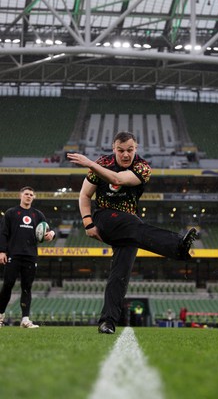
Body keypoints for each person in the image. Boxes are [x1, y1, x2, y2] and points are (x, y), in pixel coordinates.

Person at [67, 132, 198, 334]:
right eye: (121, 150)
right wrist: (88, 223)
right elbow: (85, 194)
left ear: (135, 148)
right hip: (105, 218)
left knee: (119, 277)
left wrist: (90, 164)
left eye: (130, 150)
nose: (125, 154)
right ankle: (178, 246)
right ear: (114, 148)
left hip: (129, 226)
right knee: (134, 225)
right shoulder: (102, 162)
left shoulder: (142, 167)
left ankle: (107, 322)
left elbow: (118, 178)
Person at [0, 186, 56, 328]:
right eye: (26, 194)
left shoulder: (38, 215)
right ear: (21, 195)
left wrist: (51, 234)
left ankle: (25, 320)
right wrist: (2, 251)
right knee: (7, 285)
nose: (29, 196)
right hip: (13, 254)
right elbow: (3, 234)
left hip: (30, 256)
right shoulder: (11, 213)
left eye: (31, 194)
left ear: (34, 197)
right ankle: (0, 316)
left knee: (27, 287)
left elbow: (47, 231)